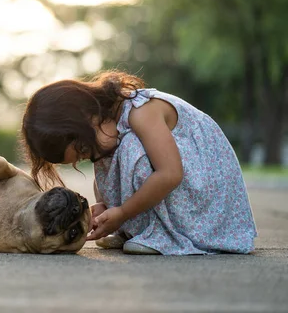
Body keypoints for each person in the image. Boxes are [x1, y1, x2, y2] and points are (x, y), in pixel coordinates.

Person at [20, 70, 257, 255]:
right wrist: (105, 206)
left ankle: (157, 234)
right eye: (81, 157)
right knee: (105, 155)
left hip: (207, 206)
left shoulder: (142, 112)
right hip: (185, 193)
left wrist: (123, 212)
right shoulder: (110, 126)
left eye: (83, 149)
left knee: (128, 148)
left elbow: (170, 174)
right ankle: (137, 230)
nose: (87, 156)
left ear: (87, 112)